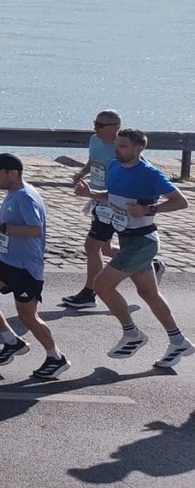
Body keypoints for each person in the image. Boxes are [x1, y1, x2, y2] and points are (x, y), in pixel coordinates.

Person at [74, 127, 191, 369]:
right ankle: (179, 342)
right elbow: (112, 196)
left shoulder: (149, 174)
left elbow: (181, 202)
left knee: (101, 285)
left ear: (138, 149)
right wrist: (90, 193)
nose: (117, 149)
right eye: (116, 145)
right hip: (127, 240)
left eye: (123, 146)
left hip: (142, 242)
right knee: (149, 294)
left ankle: (132, 334)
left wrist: (149, 209)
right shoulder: (115, 166)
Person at [0, 154, 68, 380]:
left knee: (27, 316)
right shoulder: (14, 192)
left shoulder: (26, 198)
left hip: (25, 267)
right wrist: (1, 228)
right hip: (4, 259)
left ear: (13, 173)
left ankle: (56, 358)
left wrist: (1, 227)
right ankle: (12, 341)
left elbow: (35, 231)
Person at [60, 110, 122, 308]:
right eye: (95, 123)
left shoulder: (122, 147)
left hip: (112, 203)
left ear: (115, 127)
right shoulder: (95, 139)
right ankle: (148, 264)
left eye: (100, 125)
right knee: (105, 248)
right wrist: (82, 172)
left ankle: (89, 293)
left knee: (92, 246)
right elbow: (93, 160)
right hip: (96, 199)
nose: (95, 128)